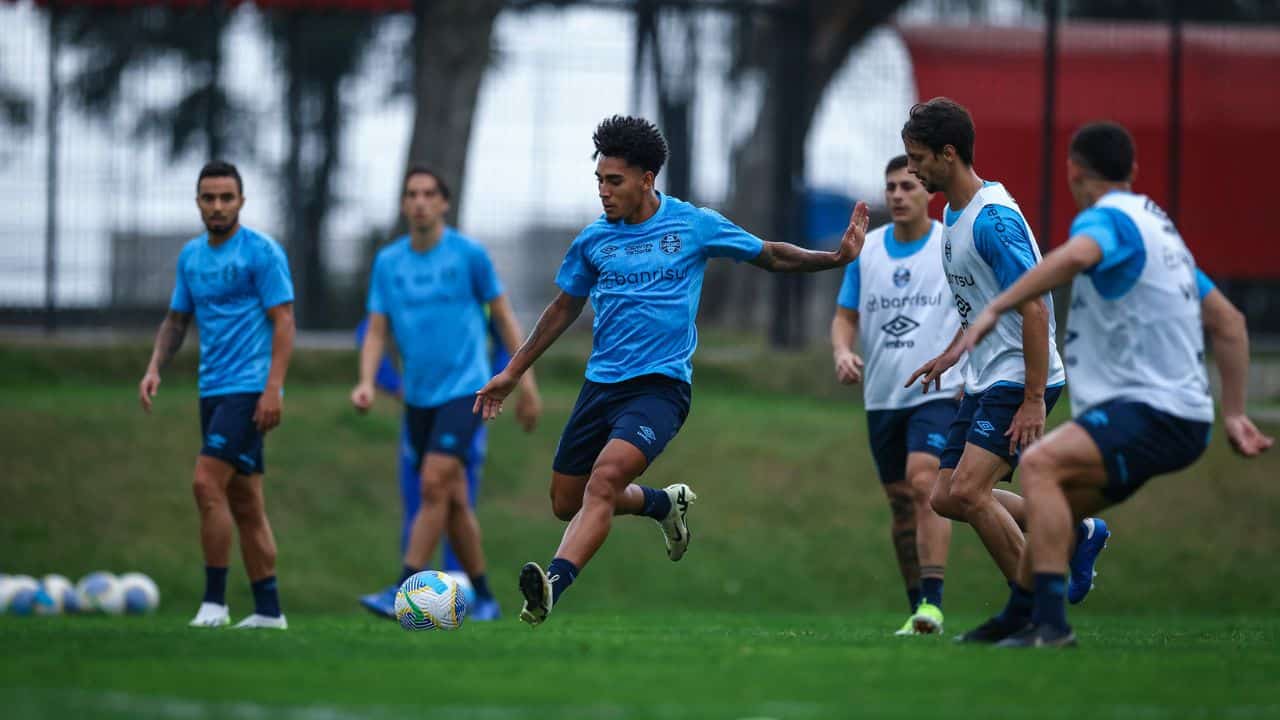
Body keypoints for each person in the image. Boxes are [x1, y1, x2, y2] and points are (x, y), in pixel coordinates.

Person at [473, 115, 870, 626]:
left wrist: (835, 257)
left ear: (646, 178)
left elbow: (770, 255)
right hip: (600, 387)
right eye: (598, 180)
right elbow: (563, 309)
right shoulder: (594, 240)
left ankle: (551, 585)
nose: (603, 191)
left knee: (604, 481)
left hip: (660, 389)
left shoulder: (693, 225)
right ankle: (662, 504)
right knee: (565, 501)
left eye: (614, 181)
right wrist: (512, 371)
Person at [957, 121, 1272, 647]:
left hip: (1151, 411)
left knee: (1037, 465)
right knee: (1055, 494)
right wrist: (1235, 413)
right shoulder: (1159, 230)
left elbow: (1078, 256)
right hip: (1185, 418)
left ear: (1073, 171)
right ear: (1133, 170)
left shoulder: (1107, 222)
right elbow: (1230, 323)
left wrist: (1000, 303)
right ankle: (1021, 614)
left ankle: (1050, 627)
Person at [899, 98, 1111, 643]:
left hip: (1021, 377)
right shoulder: (952, 215)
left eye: (919, 158)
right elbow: (985, 300)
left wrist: (1034, 398)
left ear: (950, 154)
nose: (912, 170)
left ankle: (1040, 613)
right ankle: (1076, 530)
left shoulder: (992, 219)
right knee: (946, 496)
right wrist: (953, 351)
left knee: (970, 493)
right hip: (986, 375)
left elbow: (1035, 305)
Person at [352, 167, 541, 622]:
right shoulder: (388, 262)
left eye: (428, 193)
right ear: (404, 204)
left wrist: (525, 383)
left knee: (433, 483)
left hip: (465, 390)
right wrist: (364, 380)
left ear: (443, 203)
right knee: (453, 501)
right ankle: (486, 598)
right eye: (411, 194)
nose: (419, 201)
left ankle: (402, 588)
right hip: (418, 397)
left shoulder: (469, 255)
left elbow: (504, 318)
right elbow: (376, 330)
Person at [138, 161, 295, 630]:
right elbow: (176, 321)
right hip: (212, 390)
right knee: (245, 501)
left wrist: (273, 389)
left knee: (206, 484)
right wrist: (153, 368)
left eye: (227, 197)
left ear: (241, 202)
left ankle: (214, 604)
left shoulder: (262, 252)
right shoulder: (191, 257)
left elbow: (284, 321)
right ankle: (269, 612)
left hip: (248, 390)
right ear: (198, 203)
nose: (218, 206)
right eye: (209, 198)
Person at [831, 155, 961, 636]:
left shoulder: (951, 246)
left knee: (923, 480)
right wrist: (843, 352)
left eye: (908, 185)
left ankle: (933, 603)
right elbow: (845, 316)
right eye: (891, 187)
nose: (898, 195)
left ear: (929, 191)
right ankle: (918, 612)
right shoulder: (868, 251)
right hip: (882, 397)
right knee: (901, 505)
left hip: (938, 390)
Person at [353, 313, 510, 567]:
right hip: (420, 406)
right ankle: (417, 586)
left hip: (463, 404)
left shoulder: (476, 282)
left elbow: (507, 335)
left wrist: (494, 385)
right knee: (422, 493)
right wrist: (390, 383)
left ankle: (461, 582)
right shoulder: (403, 282)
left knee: (456, 492)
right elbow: (369, 330)